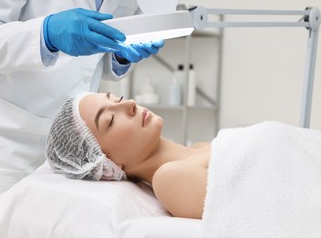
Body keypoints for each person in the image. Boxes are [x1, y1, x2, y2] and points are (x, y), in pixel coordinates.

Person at [0, 0, 164, 237]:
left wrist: (121, 55)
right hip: (4, 139)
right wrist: (46, 34)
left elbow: (96, 62)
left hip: (73, 148)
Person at [46, 92, 210, 219]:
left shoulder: (200, 147)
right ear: (108, 166)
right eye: (110, 119)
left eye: (118, 99)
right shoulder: (168, 179)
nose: (130, 103)